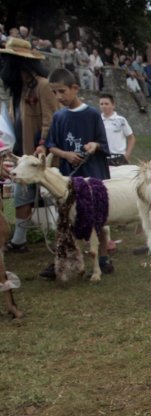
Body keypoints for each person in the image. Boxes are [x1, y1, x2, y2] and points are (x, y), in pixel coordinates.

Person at [41, 68, 111, 279]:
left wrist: (93, 145)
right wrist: (66, 154)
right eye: (54, 93)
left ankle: (103, 258)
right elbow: (50, 145)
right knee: (67, 218)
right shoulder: (59, 117)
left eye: (62, 91)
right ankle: (65, 259)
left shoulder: (92, 115)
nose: (58, 97)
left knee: (98, 218)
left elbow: (104, 144)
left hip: (91, 174)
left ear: (75, 88)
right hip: (68, 176)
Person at [0, 38, 59, 254]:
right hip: (22, 153)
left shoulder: (43, 86)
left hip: (41, 155)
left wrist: (43, 145)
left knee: (56, 195)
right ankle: (19, 240)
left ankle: (65, 236)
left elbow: (50, 119)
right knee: (21, 194)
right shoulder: (19, 90)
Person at [98, 93, 135, 166]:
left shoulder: (121, 120)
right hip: (102, 157)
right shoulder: (97, 120)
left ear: (113, 105)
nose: (104, 106)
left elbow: (131, 138)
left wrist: (127, 154)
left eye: (106, 104)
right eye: (101, 104)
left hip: (119, 157)